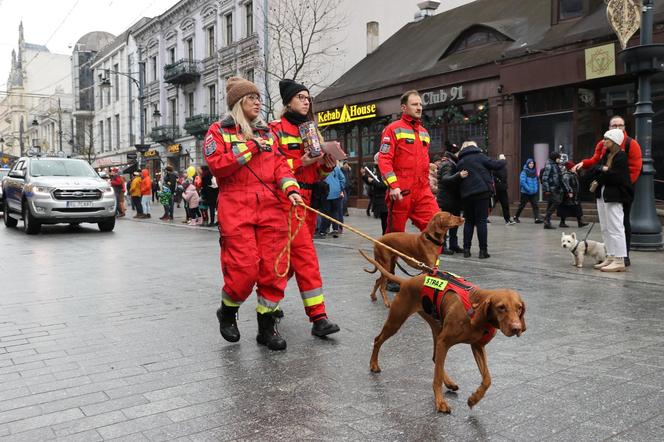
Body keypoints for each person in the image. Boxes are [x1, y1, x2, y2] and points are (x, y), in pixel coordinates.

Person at [204, 76, 303, 351]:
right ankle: (227, 311)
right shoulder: (218, 131)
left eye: (259, 98)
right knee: (243, 270)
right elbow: (218, 166)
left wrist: (291, 189)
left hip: (271, 209)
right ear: (238, 103)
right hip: (236, 208)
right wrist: (250, 148)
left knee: (274, 271)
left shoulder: (268, 133)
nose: (258, 102)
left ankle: (267, 326)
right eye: (252, 98)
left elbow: (281, 165)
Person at [269, 78, 340, 337]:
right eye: (300, 97)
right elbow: (271, 169)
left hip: (308, 205)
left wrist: (327, 164)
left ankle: (269, 304)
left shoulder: (312, 131)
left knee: (287, 263)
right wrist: (301, 161)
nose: (306, 101)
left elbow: (316, 173)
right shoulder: (275, 129)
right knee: (306, 258)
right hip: (287, 202)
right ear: (288, 101)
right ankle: (318, 317)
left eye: (308, 98)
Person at [573, 115, 642, 266]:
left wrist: (621, 185)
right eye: (614, 125)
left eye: (620, 125)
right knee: (608, 226)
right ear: (609, 127)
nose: (617, 128)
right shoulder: (604, 145)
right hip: (606, 188)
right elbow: (595, 161)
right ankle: (611, 256)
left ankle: (623, 257)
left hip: (620, 190)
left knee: (620, 224)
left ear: (625, 127)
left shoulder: (631, 145)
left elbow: (634, 170)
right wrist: (585, 164)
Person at [377, 90, 439, 233]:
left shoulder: (424, 132)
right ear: (404, 108)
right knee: (395, 235)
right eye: (414, 104)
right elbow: (384, 158)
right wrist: (393, 186)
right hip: (401, 190)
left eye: (420, 104)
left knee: (436, 227)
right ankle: (387, 256)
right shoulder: (393, 129)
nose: (419, 108)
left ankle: (431, 256)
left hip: (422, 190)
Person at [590, 129, 633, 272]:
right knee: (605, 227)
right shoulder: (607, 155)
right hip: (603, 194)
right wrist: (604, 169)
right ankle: (610, 255)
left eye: (607, 139)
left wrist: (603, 172)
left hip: (614, 195)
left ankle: (620, 259)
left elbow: (616, 177)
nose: (604, 141)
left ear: (614, 141)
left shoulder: (621, 156)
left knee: (616, 227)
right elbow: (595, 168)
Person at [456, 141, 506, 259]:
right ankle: (483, 251)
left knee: (469, 221)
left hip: (467, 195)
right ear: (474, 146)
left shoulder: (461, 161)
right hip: (481, 193)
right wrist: (503, 159)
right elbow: (496, 165)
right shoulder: (480, 156)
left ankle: (466, 250)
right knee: (481, 222)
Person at [436, 147, 467, 255]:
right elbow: (445, 179)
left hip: (452, 198)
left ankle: (453, 245)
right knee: (445, 224)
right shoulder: (448, 164)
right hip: (447, 199)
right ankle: (443, 247)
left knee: (454, 223)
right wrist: (459, 175)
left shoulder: (451, 162)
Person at [362, 154, 389, 234]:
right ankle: (385, 237)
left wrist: (372, 181)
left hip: (385, 200)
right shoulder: (378, 172)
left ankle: (387, 238)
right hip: (379, 200)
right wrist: (364, 176)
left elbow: (384, 185)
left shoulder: (387, 172)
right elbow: (372, 183)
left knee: (386, 222)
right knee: (383, 222)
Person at [558, 161, 588, 228]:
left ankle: (580, 222)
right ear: (570, 168)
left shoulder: (573, 174)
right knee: (566, 208)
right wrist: (569, 191)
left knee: (576, 207)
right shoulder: (566, 175)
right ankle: (563, 222)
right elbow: (566, 184)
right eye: (574, 167)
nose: (575, 168)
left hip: (574, 195)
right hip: (568, 195)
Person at [318, 163, 346, 238]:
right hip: (336, 193)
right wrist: (340, 188)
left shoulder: (321, 167)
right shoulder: (336, 168)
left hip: (326, 193)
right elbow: (343, 179)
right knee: (335, 212)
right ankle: (335, 229)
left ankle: (323, 231)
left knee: (325, 213)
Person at [513, 158, 542, 224]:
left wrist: (535, 189)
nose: (531, 165)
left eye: (532, 163)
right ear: (527, 164)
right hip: (526, 192)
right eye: (530, 163)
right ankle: (515, 217)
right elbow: (522, 182)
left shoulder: (534, 172)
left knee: (535, 205)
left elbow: (536, 181)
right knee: (522, 205)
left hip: (533, 193)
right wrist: (528, 189)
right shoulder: (524, 171)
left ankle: (537, 218)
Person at [540, 151, 564, 229]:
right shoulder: (549, 165)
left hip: (555, 188)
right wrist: (547, 189)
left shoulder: (555, 165)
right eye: (558, 158)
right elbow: (545, 178)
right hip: (551, 188)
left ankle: (547, 222)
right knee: (557, 201)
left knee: (550, 205)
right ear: (555, 158)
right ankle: (546, 219)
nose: (559, 160)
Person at [492, 154, 515, 225]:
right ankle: (484, 218)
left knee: (505, 204)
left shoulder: (504, 167)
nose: (503, 160)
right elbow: (492, 175)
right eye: (502, 159)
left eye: (503, 158)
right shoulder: (496, 167)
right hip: (497, 189)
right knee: (492, 204)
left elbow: (504, 177)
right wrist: (498, 180)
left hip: (503, 188)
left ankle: (507, 220)